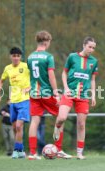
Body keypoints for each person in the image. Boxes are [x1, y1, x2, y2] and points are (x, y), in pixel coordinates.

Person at [27, 31, 71, 160]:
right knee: (61, 117)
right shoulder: (48, 57)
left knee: (34, 121)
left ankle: (32, 153)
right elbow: (51, 75)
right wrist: (56, 92)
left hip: (34, 93)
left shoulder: (30, 57)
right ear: (46, 42)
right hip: (46, 92)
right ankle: (58, 149)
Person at [53, 36, 98, 160]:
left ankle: (79, 152)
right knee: (61, 118)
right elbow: (64, 73)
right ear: (84, 45)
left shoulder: (94, 61)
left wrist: (93, 94)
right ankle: (57, 135)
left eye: (93, 48)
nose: (91, 50)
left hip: (83, 95)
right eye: (89, 47)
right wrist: (66, 88)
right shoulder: (72, 57)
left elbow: (93, 79)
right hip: (69, 93)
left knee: (81, 124)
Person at [0, 47, 30, 159]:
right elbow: (1, 81)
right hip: (12, 102)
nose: (16, 58)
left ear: (20, 57)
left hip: (24, 101)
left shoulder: (26, 66)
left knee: (19, 126)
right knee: (15, 128)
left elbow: (36, 79)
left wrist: (30, 87)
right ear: (10, 56)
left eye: (18, 56)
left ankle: (16, 150)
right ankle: (20, 150)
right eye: (14, 56)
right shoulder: (8, 68)